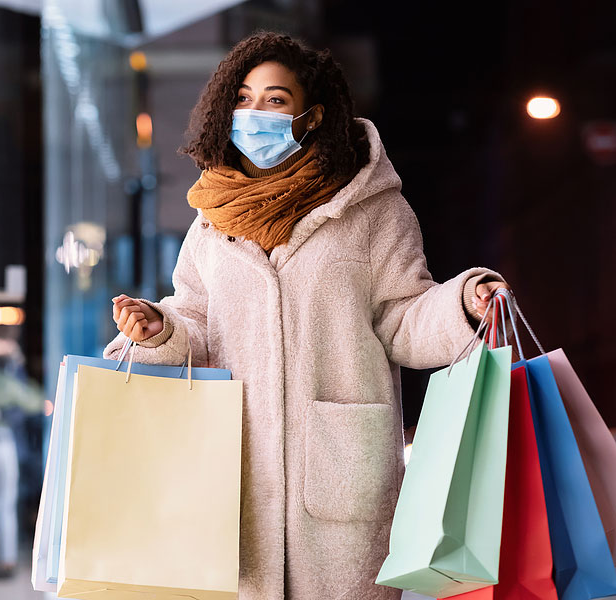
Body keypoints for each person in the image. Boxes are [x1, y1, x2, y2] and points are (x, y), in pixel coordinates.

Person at [103, 31, 510, 600]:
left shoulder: (372, 210)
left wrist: (463, 304)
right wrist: (159, 329)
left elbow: (403, 316)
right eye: (242, 98)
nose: (254, 113)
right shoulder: (211, 219)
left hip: (341, 479)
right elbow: (196, 320)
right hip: (234, 482)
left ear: (311, 115)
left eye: (274, 100)